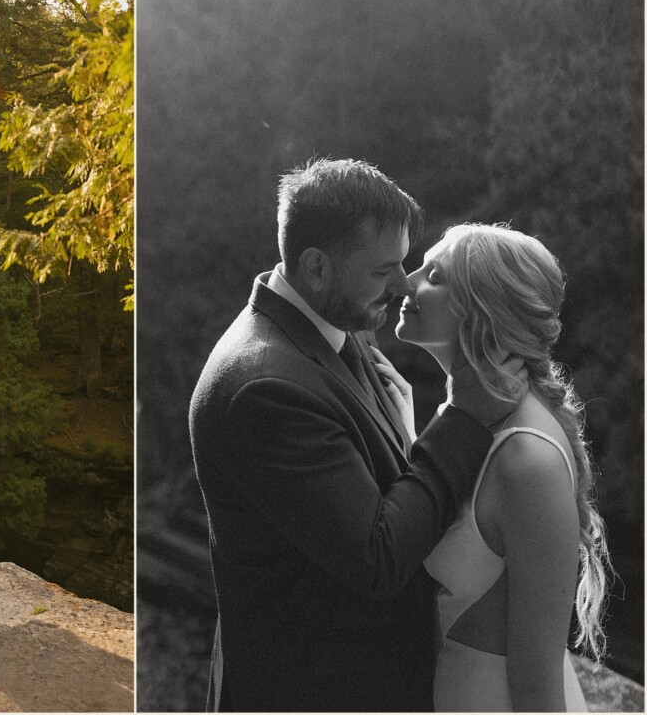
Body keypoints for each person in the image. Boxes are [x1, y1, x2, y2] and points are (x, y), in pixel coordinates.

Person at [188, 158, 526, 711]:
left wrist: (408, 432)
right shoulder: (265, 387)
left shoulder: (329, 328)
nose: (401, 285)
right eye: (382, 270)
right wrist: (462, 418)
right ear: (317, 266)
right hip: (311, 691)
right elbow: (378, 558)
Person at [383, 223, 610, 710]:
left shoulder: (530, 463)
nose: (407, 282)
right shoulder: (466, 416)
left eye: (436, 275)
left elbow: (537, 688)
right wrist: (407, 434)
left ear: (484, 310)